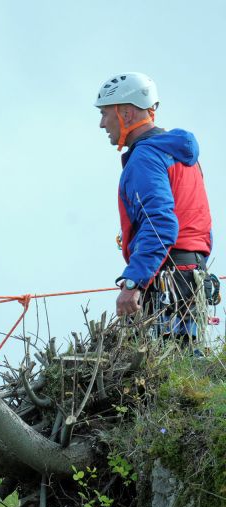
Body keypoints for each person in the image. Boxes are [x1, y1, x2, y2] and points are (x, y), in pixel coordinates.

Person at [95, 72, 214, 338]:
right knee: (185, 367)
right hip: (191, 273)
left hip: (167, 278)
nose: (102, 124)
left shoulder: (145, 157)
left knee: (161, 363)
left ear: (126, 114)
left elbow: (160, 223)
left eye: (105, 113)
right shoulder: (182, 155)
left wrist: (133, 281)